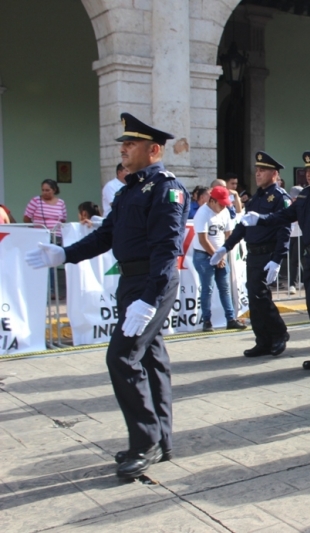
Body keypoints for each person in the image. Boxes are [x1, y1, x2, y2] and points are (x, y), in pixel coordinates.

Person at [24, 113, 188, 479]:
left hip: (152, 282)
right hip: (132, 281)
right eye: (123, 144)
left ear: (153, 150)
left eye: (131, 143)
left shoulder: (166, 188)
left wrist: (149, 299)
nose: (124, 149)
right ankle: (161, 439)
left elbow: (167, 248)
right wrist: (65, 254)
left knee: (122, 357)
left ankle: (145, 442)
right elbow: (105, 235)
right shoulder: (129, 190)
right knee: (151, 358)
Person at [240, 152, 310, 370]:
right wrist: (261, 219)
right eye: (307, 170)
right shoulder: (305, 195)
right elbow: (285, 216)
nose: (308, 174)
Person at [212, 151, 291, 357]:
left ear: (274, 174)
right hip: (253, 253)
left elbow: (284, 230)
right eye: (257, 170)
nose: (258, 173)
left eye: (263, 170)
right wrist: (225, 247)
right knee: (254, 298)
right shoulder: (256, 197)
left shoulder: (279, 197)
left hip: (267, 253)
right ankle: (263, 340)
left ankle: (279, 333)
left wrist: (277, 259)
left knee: (260, 295)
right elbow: (242, 226)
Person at [191, 186, 246, 333]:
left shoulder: (225, 212)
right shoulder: (202, 213)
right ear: (212, 200)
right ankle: (206, 321)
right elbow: (203, 240)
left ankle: (230, 319)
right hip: (203, 255)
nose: (222, 207)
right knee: (207, 288)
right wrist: (217, 255)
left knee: (225, 288)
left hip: (220, 254)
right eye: (220, 204)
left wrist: (222, 254)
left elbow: (228, 235)